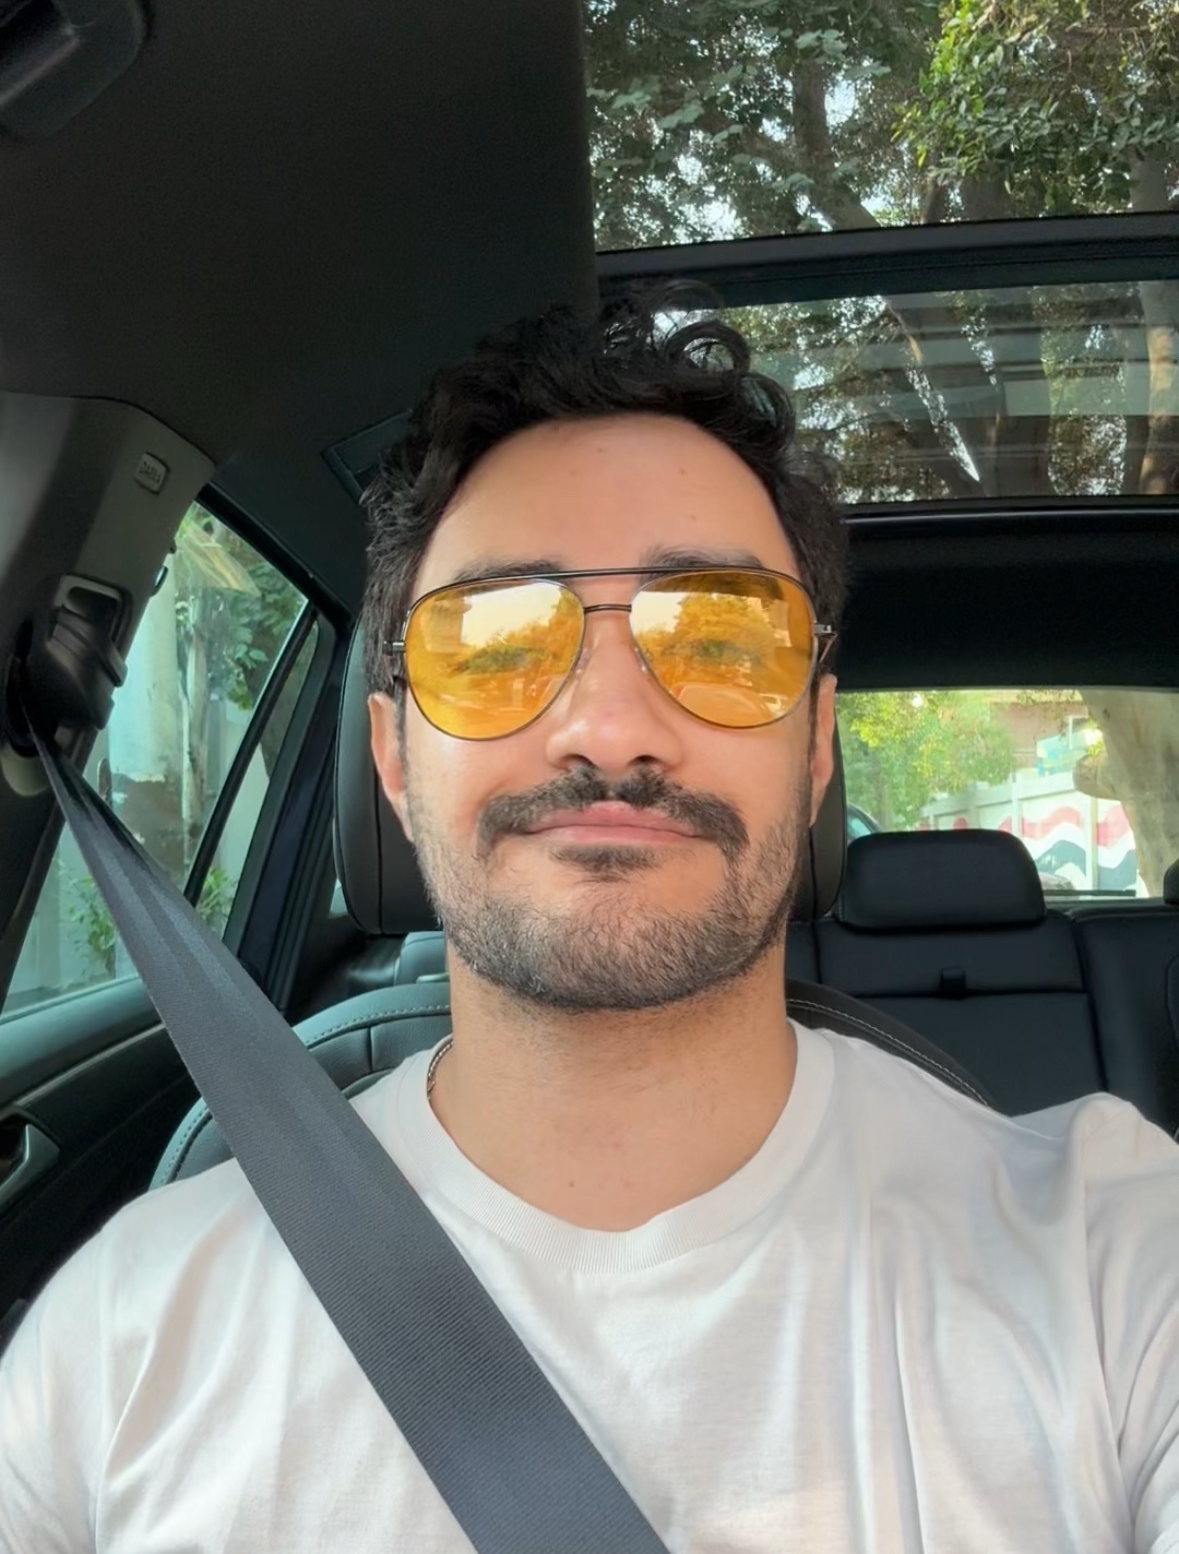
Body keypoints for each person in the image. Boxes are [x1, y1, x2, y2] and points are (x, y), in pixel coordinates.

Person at [1, 289, 1176, 1553]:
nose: (610, 727)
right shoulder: (124, 1335)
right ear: (393, 755)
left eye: (722, 638)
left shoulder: (1110, 1251)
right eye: (493, 643)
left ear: (818, 745)